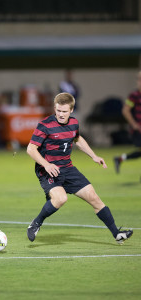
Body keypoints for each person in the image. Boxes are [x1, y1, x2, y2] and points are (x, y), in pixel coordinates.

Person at [27, 92, 133, 244]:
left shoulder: (74, 123)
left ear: (71, 110)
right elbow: (31, 149)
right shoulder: (45, 125)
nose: (61, 114)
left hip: (68, 168)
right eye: (58, 111)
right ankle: (36, 223)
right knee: (60, 198)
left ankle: (117, 234)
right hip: (47, 170)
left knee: (94, 198)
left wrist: (94, 156)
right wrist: (47, 164)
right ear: (54, 108)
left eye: (64, 111)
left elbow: (77, 139)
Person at [114, 71, 141, 173]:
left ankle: (120, 159)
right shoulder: (134, 95)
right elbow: (125, 110)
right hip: (138, 130)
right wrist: (134, 124)